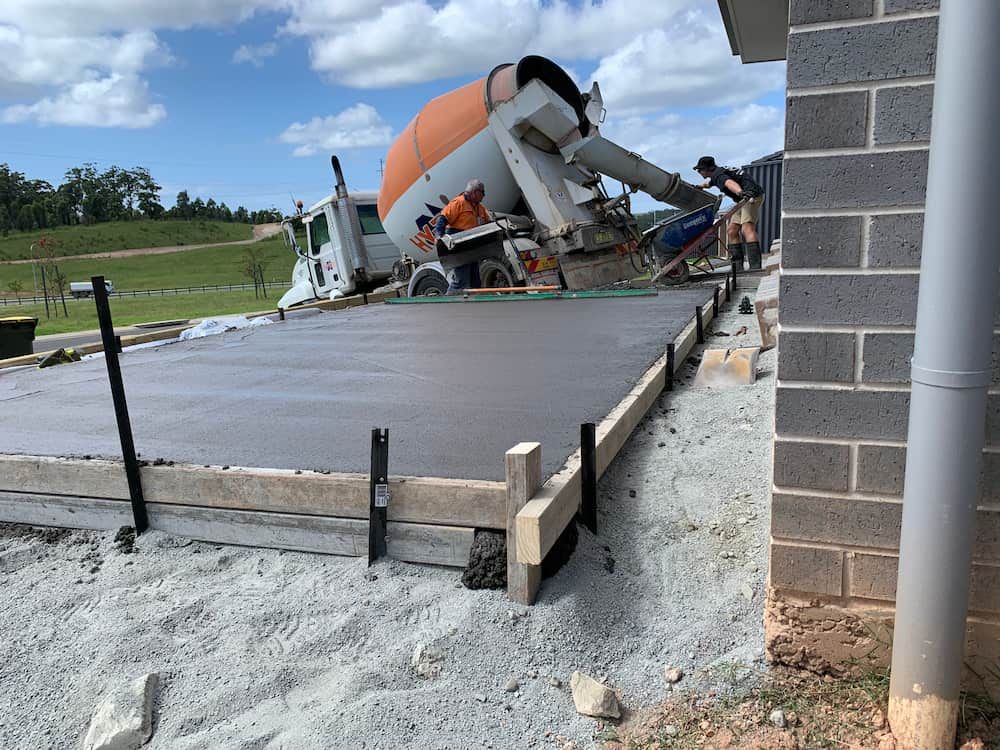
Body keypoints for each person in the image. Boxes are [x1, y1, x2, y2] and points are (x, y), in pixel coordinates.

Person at [693, 156, 765, 271]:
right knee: (732, 231)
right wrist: (700, 186)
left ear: (707, 169)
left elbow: (729, 183)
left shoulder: (719, 176)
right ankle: (737, 267)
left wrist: (740, 192)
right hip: (741, 200)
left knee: (747, 229)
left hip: (750, 196)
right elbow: (709, 184)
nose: (698, 172)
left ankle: (755, 267)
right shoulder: (717, 174)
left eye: (700, 170)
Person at [433, 178, 491, 294]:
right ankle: (449, 303)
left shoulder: (480, 208)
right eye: (482, 193)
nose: (484, 196)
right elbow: (442, 219)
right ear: (475, 192)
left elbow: (487, 223)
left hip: (472, 245)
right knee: (461, 279)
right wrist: (439, 236)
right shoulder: (458, 203)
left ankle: (475, 303)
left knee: (475, 280)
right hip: (458, 244)